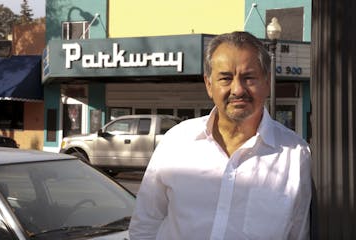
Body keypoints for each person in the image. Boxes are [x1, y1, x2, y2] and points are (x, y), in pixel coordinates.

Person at [129, 31, 312, 240]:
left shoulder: (296, 156)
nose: (237, 89)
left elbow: (298, 234)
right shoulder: (176, 142)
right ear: (209, 85)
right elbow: (145, 224)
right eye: (225, 78)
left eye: (249, 77)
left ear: (267, 82)